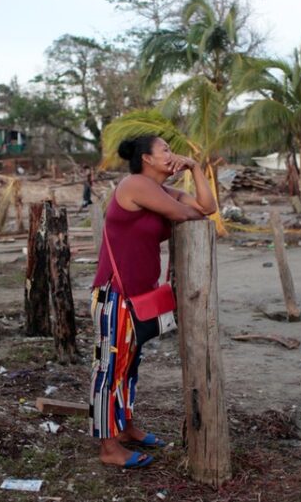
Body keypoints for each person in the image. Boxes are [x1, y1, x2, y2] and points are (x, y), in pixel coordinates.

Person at [89, 135, 217, 469]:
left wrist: (195, 167)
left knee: (129, 368)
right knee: (109, 370)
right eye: (165, 150)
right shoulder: (135, 184)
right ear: (146, 158)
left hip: (139, 298)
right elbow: (186, 214)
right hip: (115, 295)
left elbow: (208, 207)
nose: (172, 155)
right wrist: (187, 206)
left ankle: (126, 426)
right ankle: (108, 446)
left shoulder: (160, 192)